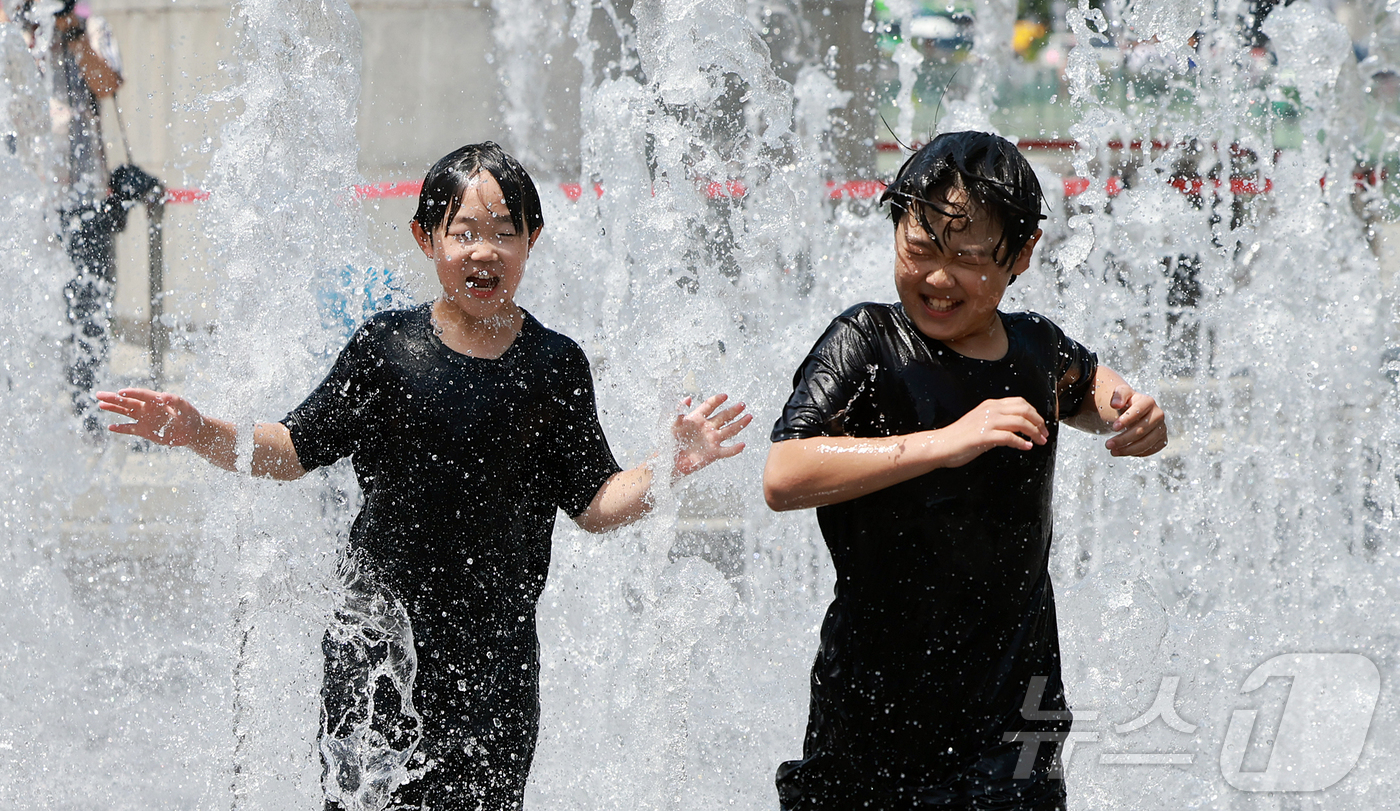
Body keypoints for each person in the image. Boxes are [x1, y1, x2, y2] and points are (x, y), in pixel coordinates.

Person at [96, 142, 752, 811]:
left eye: (504, 234)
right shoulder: (386, 351)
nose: (484, 252)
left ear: (533, 239)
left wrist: (668, 466)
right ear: (425, 237)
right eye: (463, 233)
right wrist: (199, 429)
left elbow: (594, 500)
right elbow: (293, 448)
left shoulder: (554, 366)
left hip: (495, 666)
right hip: (378, 654)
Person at [763, 131, 1168, 810]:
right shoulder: (867, 344)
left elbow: (1094, 387)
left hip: (1019, 703)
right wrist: (944, 442)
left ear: (1024, 254)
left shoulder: (1035, 348)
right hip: (877, 709)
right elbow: (785, 471)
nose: (939, 278)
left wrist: (1136, 418)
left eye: (969, 258)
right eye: (919, 249)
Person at [13, 0, 127, 431]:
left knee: (90, 310)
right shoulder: (15, 34)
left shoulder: (91, 26)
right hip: (31, 196)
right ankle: (24, 417)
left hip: (87, 196)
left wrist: (74, 36)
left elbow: (107, 85)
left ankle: (88, 411)